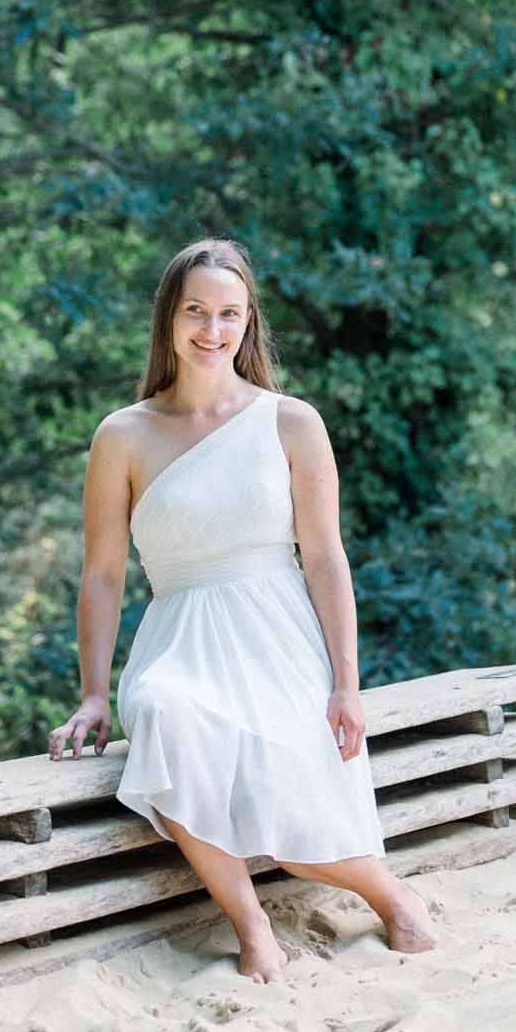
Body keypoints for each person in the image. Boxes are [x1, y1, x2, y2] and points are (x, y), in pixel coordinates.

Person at [48, 236, 437, 984]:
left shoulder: (290, 422)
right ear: (169, 317)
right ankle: (251, 923)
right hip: (179, 638)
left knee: (280, 787)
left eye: (229, 313)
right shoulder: (122, 434)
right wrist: (94, 693)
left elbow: (323, 558)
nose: (211, 329)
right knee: (164, 714)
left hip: (278, 633)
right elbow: (101, 576)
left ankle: (388, 893)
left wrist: (345, 684)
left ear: (248, 322)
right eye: (196, 310)